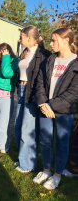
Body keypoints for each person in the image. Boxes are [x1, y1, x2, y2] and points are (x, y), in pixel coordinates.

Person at [33, 28, 78, 190]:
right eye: (50, 40)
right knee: (45, 141)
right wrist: (42, 103)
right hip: (45, 108)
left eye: (54, 40)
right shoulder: (49, 60)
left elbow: (74, 92)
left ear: (66, 41)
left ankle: (57, 174)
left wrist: (51, 105)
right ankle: (46, 170)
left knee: (61, 143)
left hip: (64, 112)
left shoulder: (76, 62)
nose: (50, 44)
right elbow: (39, 83)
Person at [14, 25, 51, 173]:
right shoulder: (25, 53)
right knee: (17, 127)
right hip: (21, 91)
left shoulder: (44, 54)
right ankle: (24, 158)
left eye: (21, 37)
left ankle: (28, 164)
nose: (19, 39)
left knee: (27, 129)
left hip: (32, 93)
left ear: (29, 38)